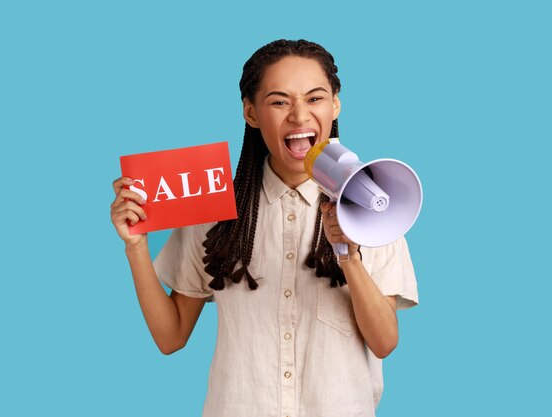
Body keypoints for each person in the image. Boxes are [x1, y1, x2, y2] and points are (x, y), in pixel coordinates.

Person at [110, 39, 418, 417]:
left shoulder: (374, 206)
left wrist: (348, 255)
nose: (299, 116)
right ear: (251, 113)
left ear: (335, 104)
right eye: (279, 101)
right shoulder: (216, 211)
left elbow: (384, 342)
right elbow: (170, 336)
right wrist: (136, 247)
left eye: (315, 98)